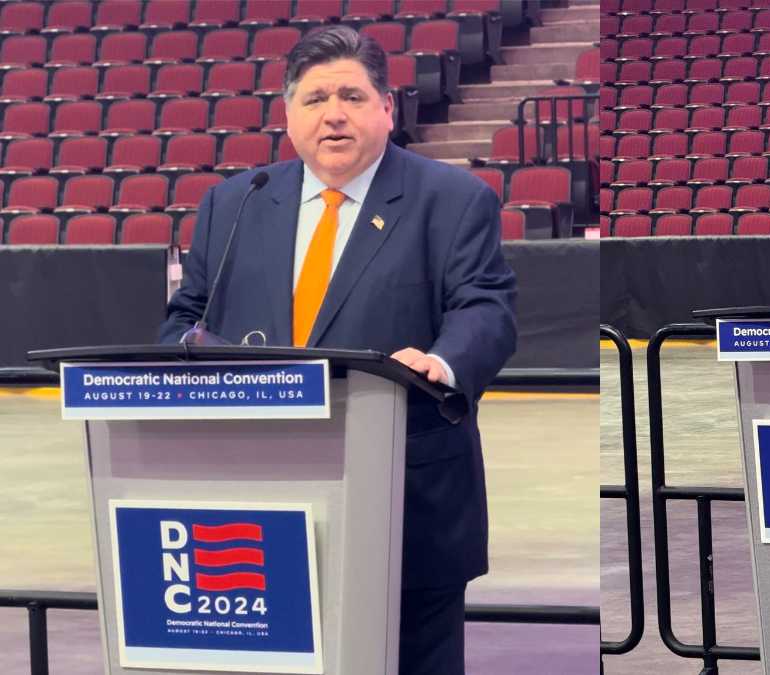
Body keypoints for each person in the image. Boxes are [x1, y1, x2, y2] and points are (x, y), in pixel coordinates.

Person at [159, 25, 517, 675]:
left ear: (387, 107)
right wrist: (189, 351)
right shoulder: (235, 204)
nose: (333, 114)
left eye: (352, 95)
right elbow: (186, 317)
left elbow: (484, 308)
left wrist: (442, 363)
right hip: (258, 503)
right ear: (288, 114)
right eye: (314, 98)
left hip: (408, 508)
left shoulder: (454, 200)